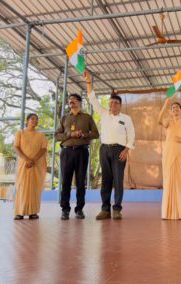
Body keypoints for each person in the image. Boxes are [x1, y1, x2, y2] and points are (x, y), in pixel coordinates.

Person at [84, 71, 135, 220]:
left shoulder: (126, 118)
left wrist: (127, 150)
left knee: (118, 181)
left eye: (116, 103)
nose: (113, 105)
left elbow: (131, 135)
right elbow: (92, 98)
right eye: (111, 103)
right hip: (104, 149)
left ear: (120, 105)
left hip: (120, 150)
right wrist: (88, 82)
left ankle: (117, 209)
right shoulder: (103, 113)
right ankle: (105, 209)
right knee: (106, 180)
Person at [55, 93, 99, 220]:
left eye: (74, 100)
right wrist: (69, 134)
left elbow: (96, 134)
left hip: (82, 152)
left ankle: (79, 209)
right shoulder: (64, 118)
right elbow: (57, 136)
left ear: (80, 102)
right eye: (69, 100)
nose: (71, 102)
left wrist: (83, 135)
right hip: (66, 152)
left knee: (80, 182)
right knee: (66, 182)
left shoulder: (87, 117)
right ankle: (65, 210)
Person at [158, 96, 181, 220]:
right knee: (168, 181)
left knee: (180, 182)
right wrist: (165, 103)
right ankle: (166, 213)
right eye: (173, 108)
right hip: (168, 153)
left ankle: (180, 212)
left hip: (180, 153)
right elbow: (159, 120)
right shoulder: (168, 122)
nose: (175, 109)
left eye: (177, 107)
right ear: (171, 111)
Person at [13, 113, 48, 220]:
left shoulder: (41, 135)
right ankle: (19, 212)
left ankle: (33, 212)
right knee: (22, 186)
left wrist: (34, 160)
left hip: (36, 164)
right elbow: (16, 147)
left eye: (36, 119)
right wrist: (27, 159)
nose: (34, 121)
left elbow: (44, 149)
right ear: (27, 120)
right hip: (24, 164)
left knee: (35, 187)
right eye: (32, 119)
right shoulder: (20, 133)